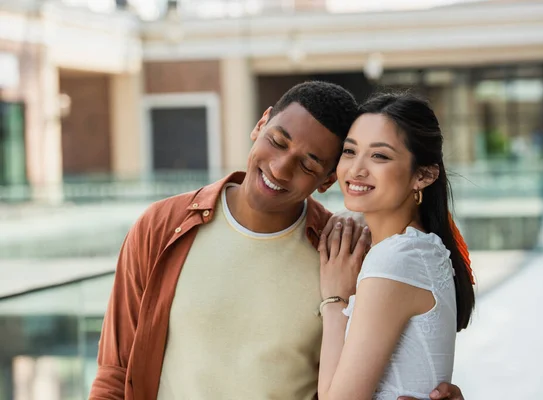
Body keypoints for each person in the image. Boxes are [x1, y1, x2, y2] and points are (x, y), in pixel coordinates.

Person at [89, 82, 464, 400]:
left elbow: (383, 367)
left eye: (308, 164)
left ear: (328, 180)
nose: (281, 168)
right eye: (278, 141)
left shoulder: (345, 252)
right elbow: (114, 373)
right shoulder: (163, 226)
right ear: (261, 123)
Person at [317, 92, 475, 400]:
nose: (356, 170)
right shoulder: (419, 248)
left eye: (380, 156)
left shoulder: (397, 259)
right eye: (350, 152)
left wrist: (335, 300)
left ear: (424, 175)